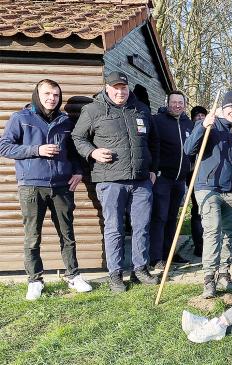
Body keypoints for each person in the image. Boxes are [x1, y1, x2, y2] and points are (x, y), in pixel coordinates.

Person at [0, 79, 93, 300]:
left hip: (62, 186)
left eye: (56, 95)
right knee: (32, 236)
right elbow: (4, 146)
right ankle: (35, 280)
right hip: (32, 187)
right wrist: (37, 149)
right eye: (47, 94)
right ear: (37, 94)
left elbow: (74, 151)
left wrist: (79, 171)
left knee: (67, 234)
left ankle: (73, 275)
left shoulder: (65, 121)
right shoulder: (21, 118)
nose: (52, 98)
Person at [72, 71, 160, 292]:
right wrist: (92, 153)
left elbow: (154, 141)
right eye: (116, 87)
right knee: (114, 228)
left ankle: (140, 269)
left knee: (142, 227)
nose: (120, 92)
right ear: (107, 88)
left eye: (124, 87)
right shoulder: (93, 110)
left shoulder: (141, 109)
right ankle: (116, 274)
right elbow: (77, 137)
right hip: (110, 180)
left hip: (141, 180)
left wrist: (153, 169)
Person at [184, 89, 232, 298]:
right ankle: (208, 279)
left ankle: (224, 274)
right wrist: (202, 128)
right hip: (208, 188)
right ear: (223, 108)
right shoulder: (209, 124)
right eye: (231, 107)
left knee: (228, 234)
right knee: (213, 231)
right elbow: (189, 150)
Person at [148, 91, 194, 270]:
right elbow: (151, 146)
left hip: (179, 180)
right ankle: (156, 257)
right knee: (159, 217)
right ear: (167, 103)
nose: (177, 105)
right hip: (162, 178)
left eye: (180, 102)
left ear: (185, 104)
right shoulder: (158, 121)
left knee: (172, 217)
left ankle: (170, 252)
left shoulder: (188, 123)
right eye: (173, 102)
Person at [187, 106, 208, 257]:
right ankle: (198, 245)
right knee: (197, 211)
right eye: (197, 115)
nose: (200, 117)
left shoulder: (211, 129)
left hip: (208, 177)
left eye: (202, 115)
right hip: (193, 176)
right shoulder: (192, 130)